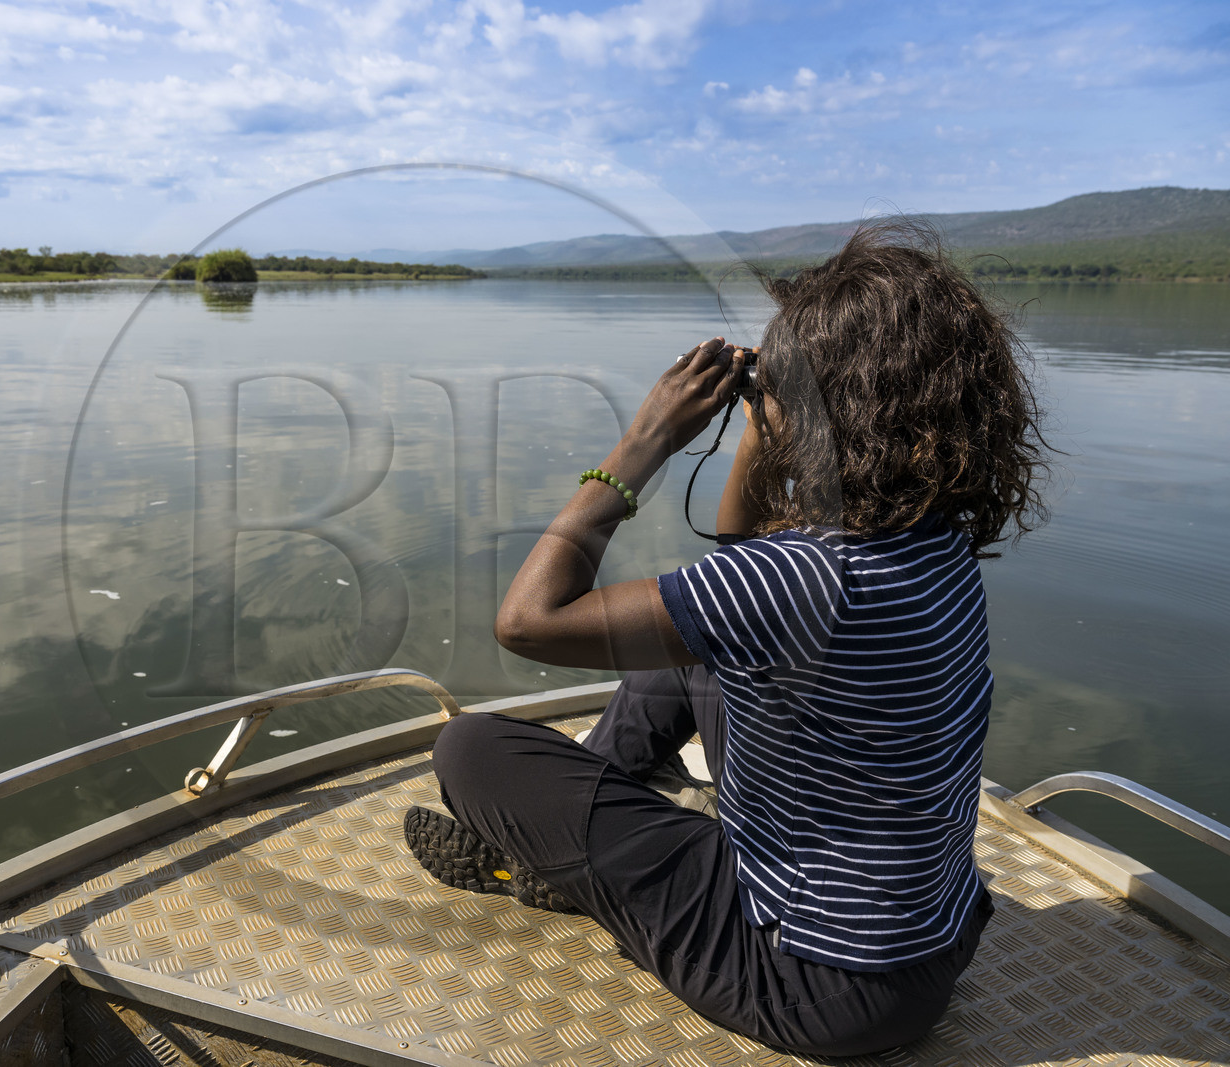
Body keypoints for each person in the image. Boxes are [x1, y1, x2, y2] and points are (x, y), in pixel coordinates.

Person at [403, 219, 1048, 1057]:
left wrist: (644, 445)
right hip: (935, 946)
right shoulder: (935, 543)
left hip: (811, 983)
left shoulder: (805, 578)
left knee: (471, 747)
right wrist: (765, 420)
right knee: (681, 662)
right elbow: (744, 560)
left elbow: (528, 620)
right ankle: (579, 848)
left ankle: (557, 865)